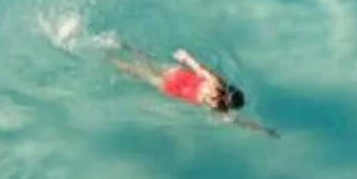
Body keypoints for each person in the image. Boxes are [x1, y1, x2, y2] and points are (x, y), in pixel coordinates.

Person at [104, 43, 271, 133]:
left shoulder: (217, 82)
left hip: (178, 75)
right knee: (138, 72)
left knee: (148, 61)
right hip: (172, 88)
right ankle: (108, 58)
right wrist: (262, 129)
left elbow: (199, 68)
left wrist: (185, 57)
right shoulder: (218, 108)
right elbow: (239, 121)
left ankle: (119, 45)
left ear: (230, 90)